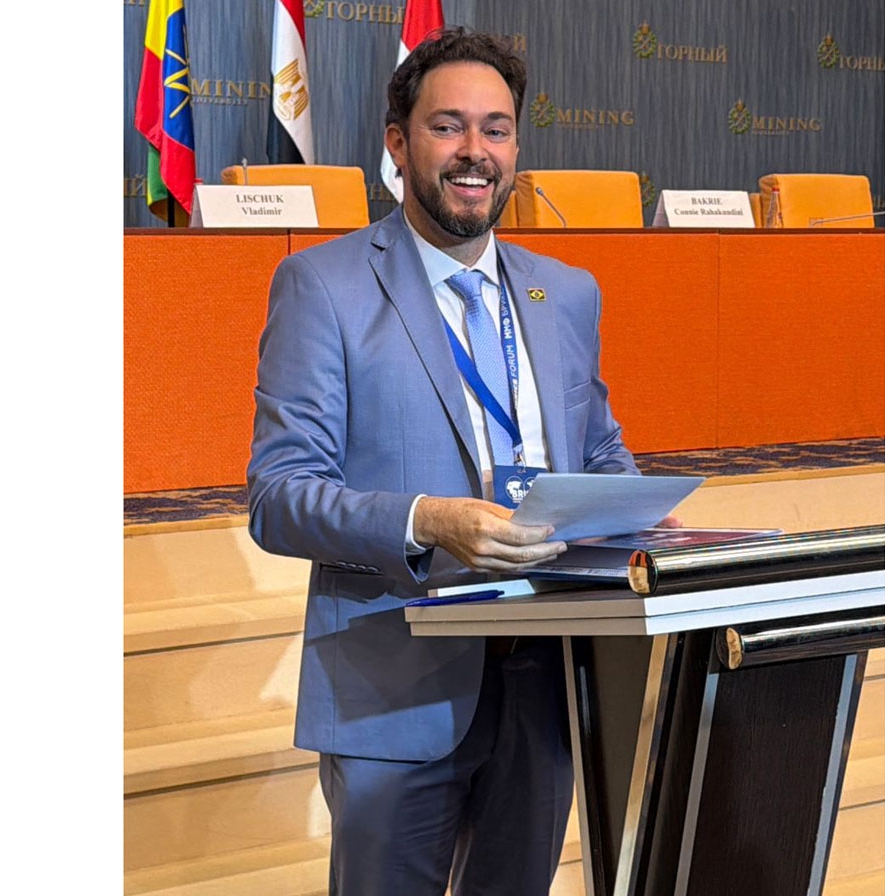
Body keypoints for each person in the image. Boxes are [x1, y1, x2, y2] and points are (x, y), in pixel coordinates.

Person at [246, 27, 639, 896]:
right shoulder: (323, 286)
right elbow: (278, 496)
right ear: (398, 142)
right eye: (447, 126)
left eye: (496, 129)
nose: (474, 152)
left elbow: (601, 451)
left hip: (546, 681)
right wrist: (430, 520)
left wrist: (648, 515)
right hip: (397, 687)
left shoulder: (566, 291)